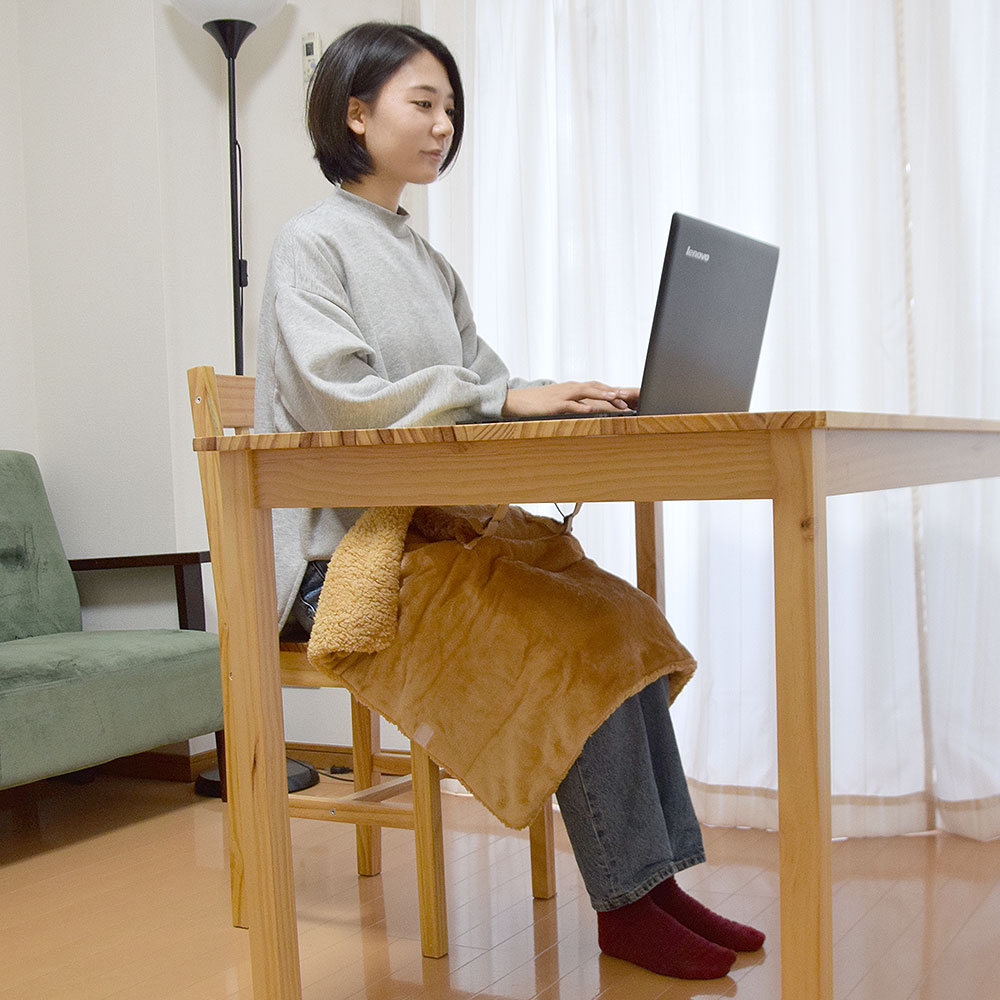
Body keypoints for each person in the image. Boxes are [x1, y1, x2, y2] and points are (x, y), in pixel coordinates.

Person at [255, 21, 764, 981]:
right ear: (356, 115)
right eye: (423, 103)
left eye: (452, 108)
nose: (444, 124)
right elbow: (341, 400)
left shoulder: (425, 258)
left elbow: (481, 387)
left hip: (428, 538)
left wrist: (559, 397)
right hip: (339, 565)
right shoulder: (309, 246)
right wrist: (503, 397)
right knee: (563, 637)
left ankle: (654, 882)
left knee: (618, 618)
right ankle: (627, 904)